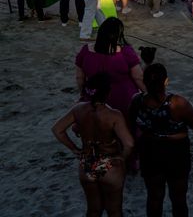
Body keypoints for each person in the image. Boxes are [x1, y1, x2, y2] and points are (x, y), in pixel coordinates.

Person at [52, 73, 134, 217]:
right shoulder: (114, 115)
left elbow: (57, 130)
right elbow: (129, 143)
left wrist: (75, 149)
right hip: (109, 163)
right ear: (108, 93)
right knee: (114, 211)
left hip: (88, 162)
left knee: (94, 210)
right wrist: (122, 158)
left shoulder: (78, 109)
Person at [129, 63, 193, 217]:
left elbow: (131, 123)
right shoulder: (178, 103)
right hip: (176, 152)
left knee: (154, 197)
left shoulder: (137, 101)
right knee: (178, 199)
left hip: (149, 150)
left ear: (145, 81)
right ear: (166, 81)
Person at [75, 17, 145, 115]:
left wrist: (83, 94)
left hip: (95, 97)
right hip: (123, 99)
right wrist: (147, 94)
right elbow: (138, 77)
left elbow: (79, 77)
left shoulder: (86, 50)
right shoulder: (125, 52)